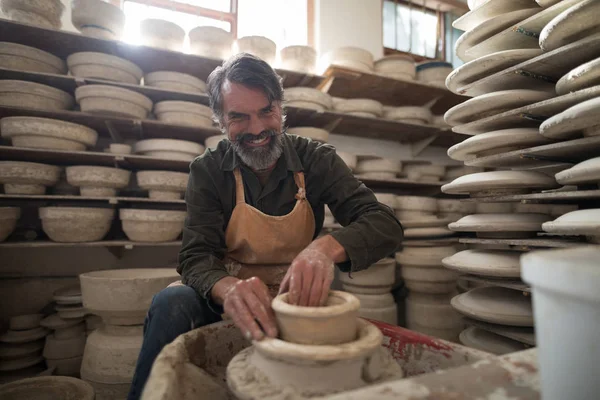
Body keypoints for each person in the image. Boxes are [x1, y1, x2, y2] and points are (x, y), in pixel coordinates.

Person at [127, 53, 403, 400]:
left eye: (266, 112)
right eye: (239, 117)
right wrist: (226, 288)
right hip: (228, 295)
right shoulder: (208, 171)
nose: (256, 129)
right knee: (171, 302)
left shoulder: (315, 160)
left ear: (280, 108)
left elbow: (384, 223)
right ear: (220, 121)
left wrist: (324, 248)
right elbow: (196, 255)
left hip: (297, 295)